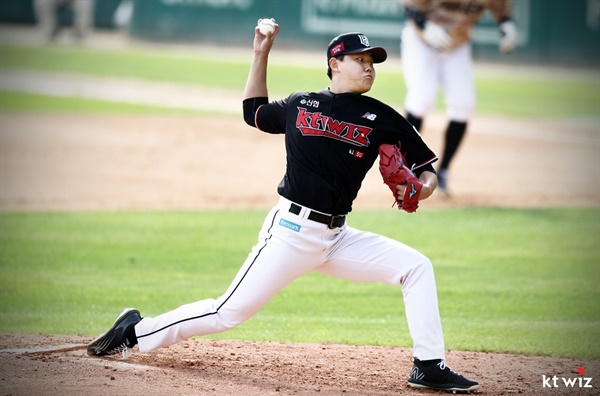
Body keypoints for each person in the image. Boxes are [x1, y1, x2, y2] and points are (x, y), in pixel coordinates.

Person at [87, 20, 479, 393]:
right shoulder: (301, 103)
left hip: (337, 237)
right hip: (290, 234)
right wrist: (262, 52)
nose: (368, 67)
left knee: (416, 267)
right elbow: (253, 112)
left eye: (372, 61)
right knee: (227, 313)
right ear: (334, 64)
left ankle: (428, 366)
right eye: (359, 59)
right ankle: (136, 330)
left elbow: (427, 169)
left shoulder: (384, 118)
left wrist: (423, 190)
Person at [400, 0, 517, 194]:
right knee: (421, 100)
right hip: (421, 42)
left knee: (463, 105)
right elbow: (409, 5)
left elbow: (500, 7)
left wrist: (505, 22)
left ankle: (443, 170)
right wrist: (425, 25)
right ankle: (403, 167)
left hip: (457, 45)